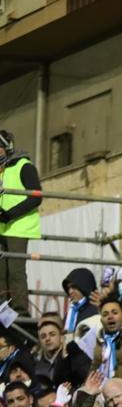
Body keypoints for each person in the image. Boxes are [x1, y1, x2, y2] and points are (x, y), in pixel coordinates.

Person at [0, 129, 42, 315]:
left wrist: (10, 214)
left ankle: (19, 312)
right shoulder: (1, 170)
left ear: (8, 147)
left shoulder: (24, 166)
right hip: (2, 227)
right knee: (1, 272)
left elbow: (36, 196)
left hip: (18, 227)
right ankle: (3, 312)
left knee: (15, 271)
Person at [32, 316, 90, 389]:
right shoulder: (36, 365)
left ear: (61, 337)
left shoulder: (74, 355)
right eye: (43, 336)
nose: (47, 339)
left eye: (52, 334)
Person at [90, 296, 122, 381]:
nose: (110, 317)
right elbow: (94, 369)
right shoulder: (100, 339)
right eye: (105, 314)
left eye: (115, 313)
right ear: (101, 320)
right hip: (102, 385)